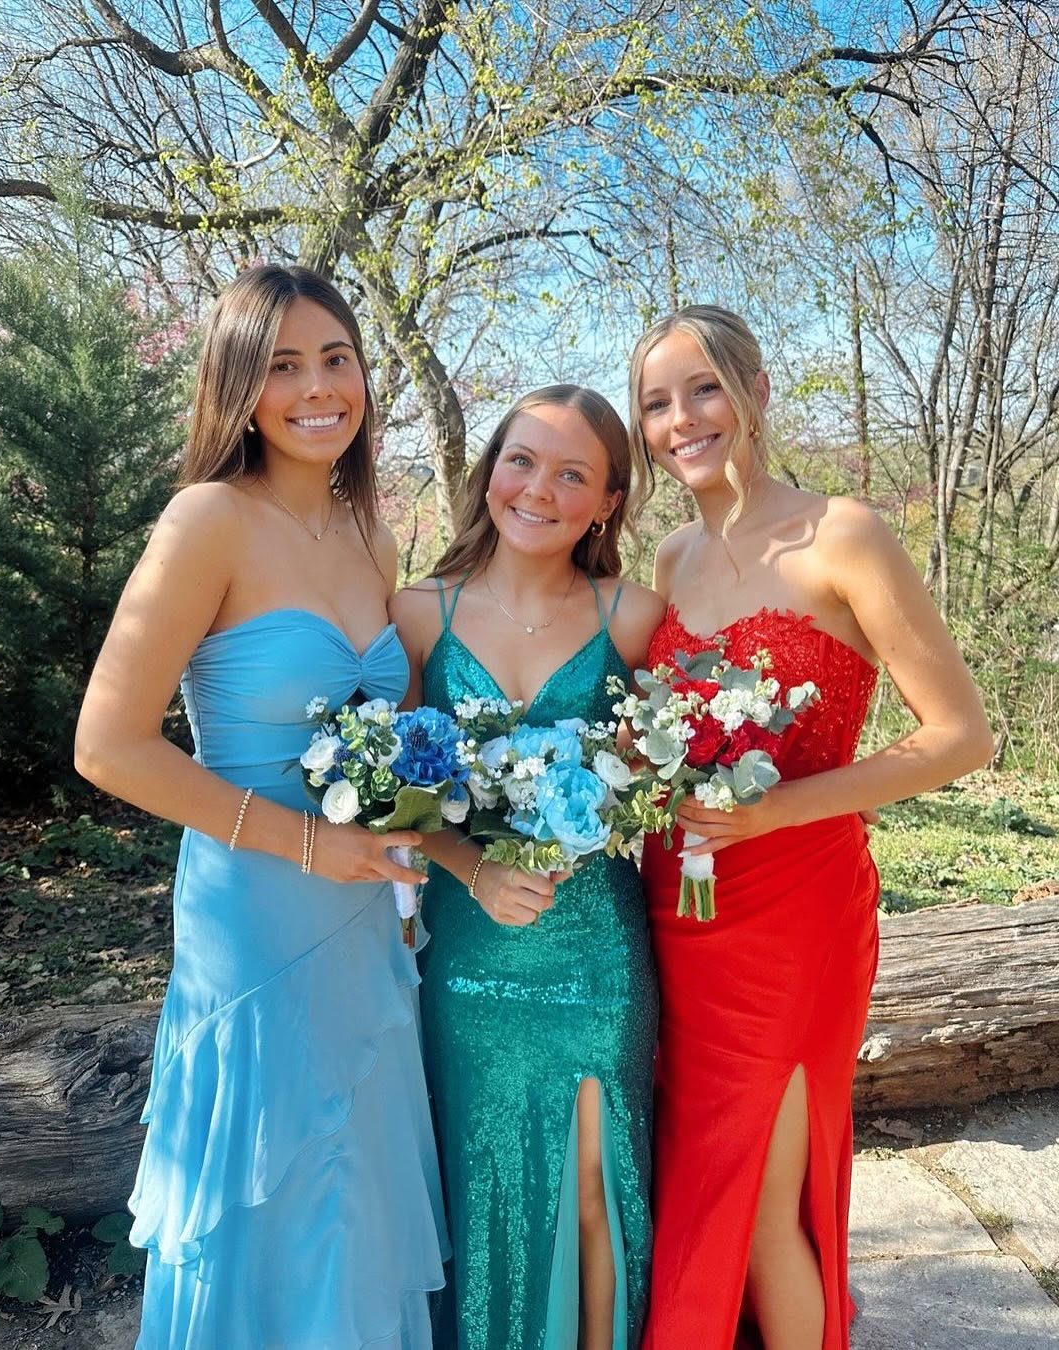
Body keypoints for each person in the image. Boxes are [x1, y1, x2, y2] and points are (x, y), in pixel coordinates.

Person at [74, 264, 447, 1349]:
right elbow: (107, 745)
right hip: (255, 911)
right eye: (283, 365)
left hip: (368, 909)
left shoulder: (372, 535)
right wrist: (304, 842)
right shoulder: (208, 521)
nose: (318, 387)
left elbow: (397, 727)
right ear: (238, 387)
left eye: (337, 359)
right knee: (265, 1186)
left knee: (353, 1182)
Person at [629, 306, 993, 1350]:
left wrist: (775, 809)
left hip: (795, 913)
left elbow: (962, 736)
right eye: (656, 402)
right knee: (698, 1171)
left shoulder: (845, 535)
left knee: (763, 1200)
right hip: (677, 906)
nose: (682, 420)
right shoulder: (670, 559)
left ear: (755, 390)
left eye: (704, 387)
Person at [391, 386, 663, 1349]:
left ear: (607, 503)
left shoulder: (635, 615)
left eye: (572, 474)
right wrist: (471, 871)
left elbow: (671, 765)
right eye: (522, 460)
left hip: (594, 952)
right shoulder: (418, 612)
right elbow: (397, 800)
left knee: (593, 1189)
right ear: (489, 471)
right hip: (468, 953)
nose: (539, 489)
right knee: (481, 1173)